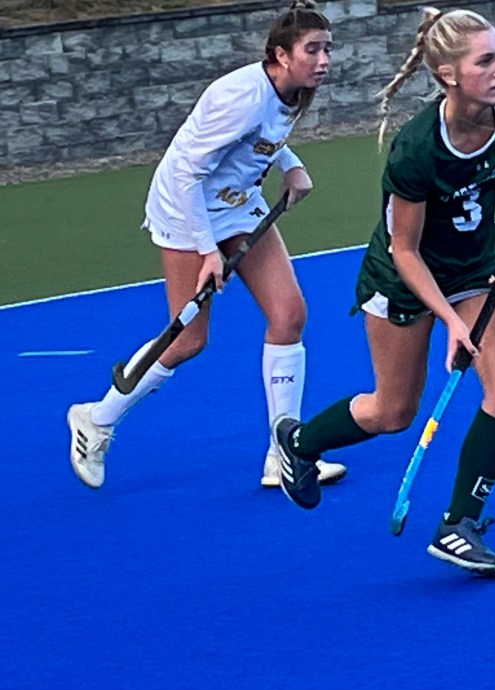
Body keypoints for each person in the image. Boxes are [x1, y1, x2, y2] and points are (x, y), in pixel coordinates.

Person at [272, 6, 495, 577]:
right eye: (486, 61)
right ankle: (299, 444)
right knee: (394, 411)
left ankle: (458, 524)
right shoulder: (417, 149)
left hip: (475, 271)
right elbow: (404, 249)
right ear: (449, 74)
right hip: (402, 281)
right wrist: (450, 320)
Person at [67, 0, 346, 491]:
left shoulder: (290, 89)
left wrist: (290, 166)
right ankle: (96, 419)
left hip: (235, 202)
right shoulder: (242, 97)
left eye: (327, 49)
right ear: (281, 55)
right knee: (188, 339)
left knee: (289, 314)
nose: (323, 60)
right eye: (312, 50)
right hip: (186, 209)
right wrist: (207, 250)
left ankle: (285, 451)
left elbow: (263, 138)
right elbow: (185, 173)